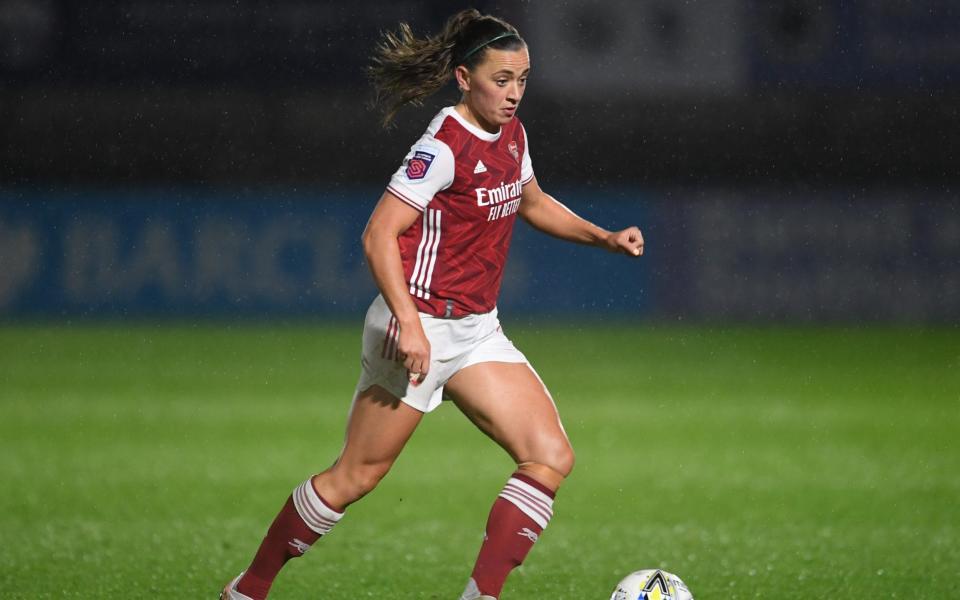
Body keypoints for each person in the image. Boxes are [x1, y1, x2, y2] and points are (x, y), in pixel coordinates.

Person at [221, 8, 644, 600]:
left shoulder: (513, 135)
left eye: (522, 79)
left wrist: (602, 237)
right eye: (502, 80)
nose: (514, 93)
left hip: (475, 331)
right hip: (414, 329)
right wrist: (409, 323)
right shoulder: (443, 145)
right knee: (356, 477)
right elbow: (378, 234)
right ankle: (247, 590)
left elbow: (533, 201)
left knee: (548, 455)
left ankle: (481, 595)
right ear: (464, 78)